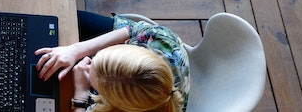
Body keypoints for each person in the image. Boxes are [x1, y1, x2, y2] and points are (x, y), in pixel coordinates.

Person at [35, 12, 190, 111]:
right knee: (65, 17)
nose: (88, 61)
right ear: (131, 49)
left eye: (95, 85)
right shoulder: (161, 39)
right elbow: (131, 29)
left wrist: (81, 95)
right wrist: (76, 49)